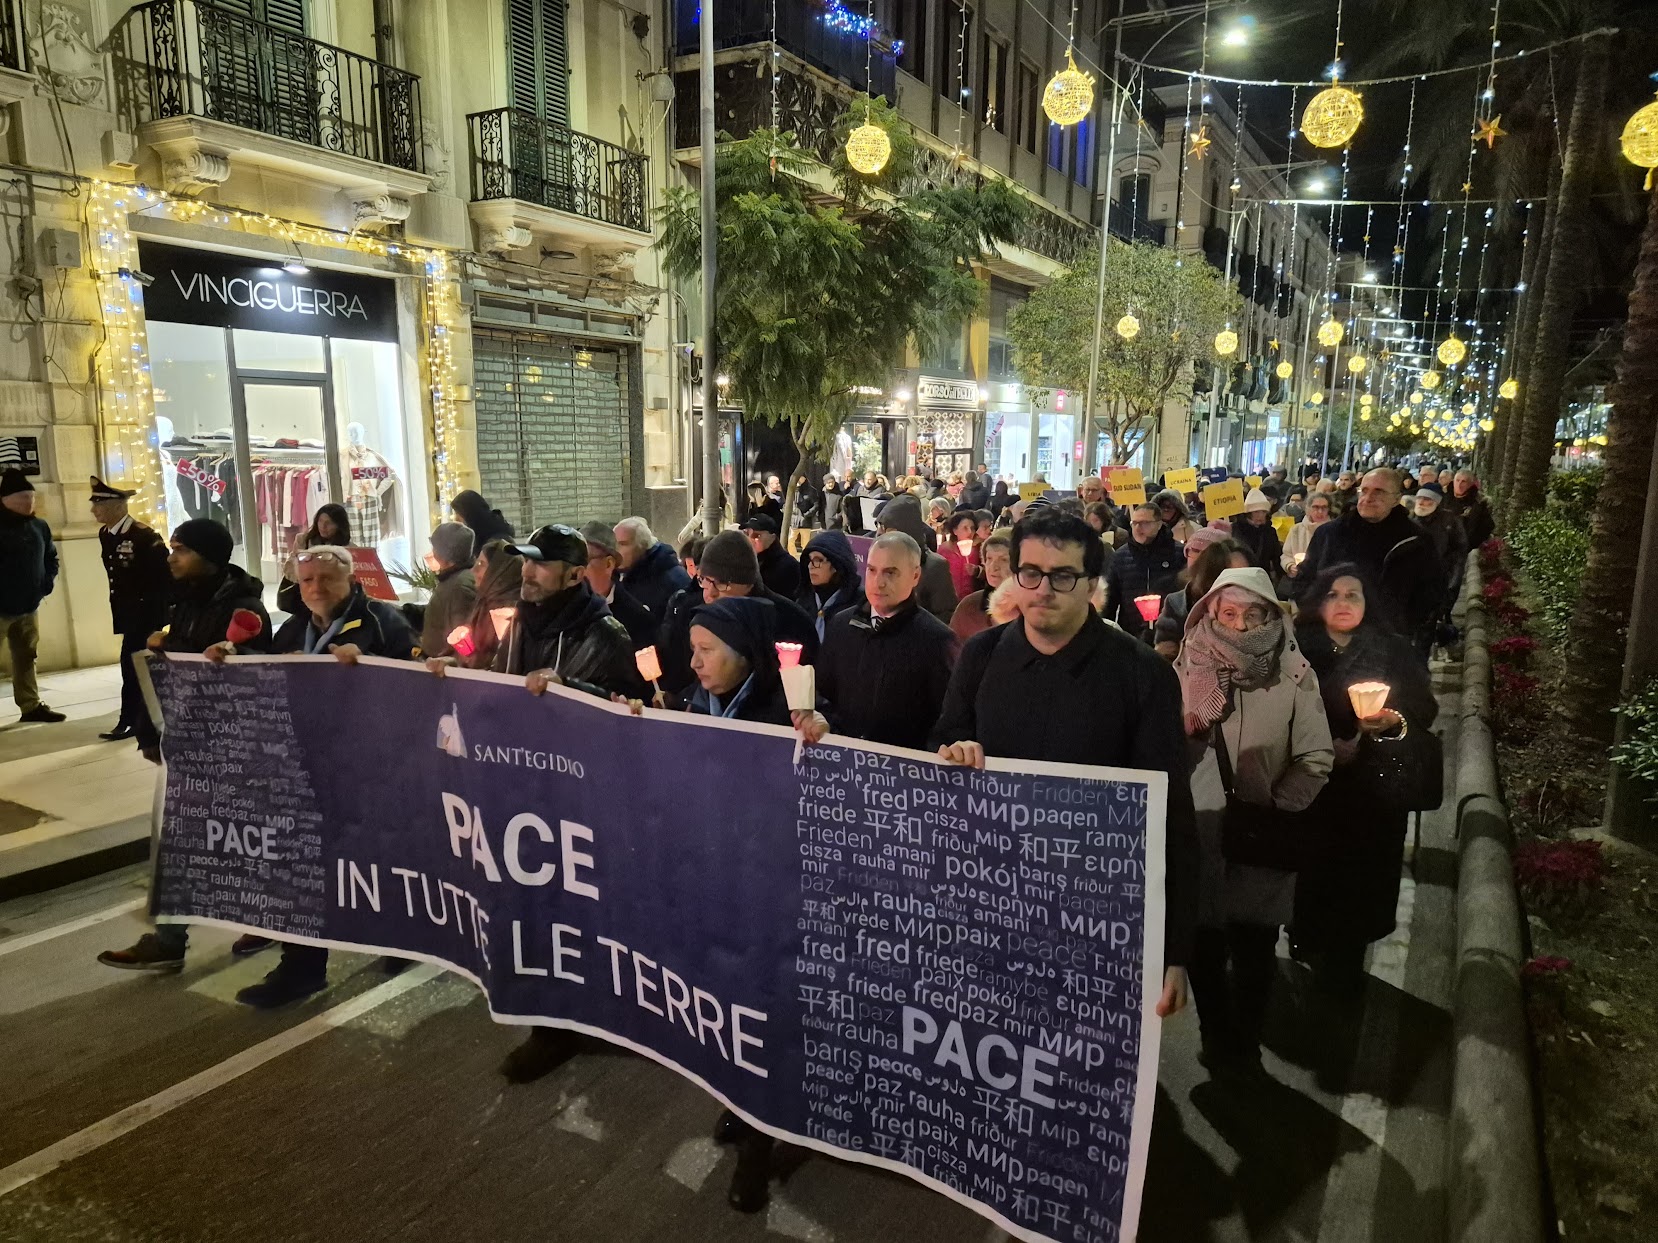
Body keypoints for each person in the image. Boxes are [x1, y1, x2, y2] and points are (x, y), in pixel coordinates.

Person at [929, 507, 1197, 1021]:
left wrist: (1173, 949)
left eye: (1063, 576)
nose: (1043, 589)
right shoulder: (981, 655)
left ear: (1092, 583)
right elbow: (946, 734)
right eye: (1030, 573)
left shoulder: (1141, 674)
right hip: (992, 900)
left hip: (1095, 919)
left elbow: (1172, 818)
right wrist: (954, 750)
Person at [220, 544, 416, 1007]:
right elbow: (268, 675)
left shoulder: (383, 622)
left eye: (326, 579)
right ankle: (301, 968)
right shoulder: (294, 628)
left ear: (350, 580)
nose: (315, 588)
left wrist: (374, 669)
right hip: (308, 765)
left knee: (378, 859)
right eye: (306, 581)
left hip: (372, 768)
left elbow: (417, 686)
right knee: (301, 866)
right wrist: (229, 657)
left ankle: (401, 935)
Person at [1175, 567, 1333, 1076]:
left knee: (1254, 951)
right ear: (1210, 614)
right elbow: (1158, 751)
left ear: (1270, 615)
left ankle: (1243, 1043)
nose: (1240, 626)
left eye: (1253, 614)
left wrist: (1275, 810)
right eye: (1228, 614)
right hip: (1200, 834)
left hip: (1263, 840)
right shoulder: (1184, 668)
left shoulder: (1294, 675)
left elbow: (1315, 758)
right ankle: (1214, 1033)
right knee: (1201, 946)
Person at [97, 518, 272, 972]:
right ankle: (170, 939)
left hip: (231, 746)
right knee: (182, 839)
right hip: (189, 740)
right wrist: (149, 729)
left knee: (241, 839)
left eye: (182, 549)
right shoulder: (186, 602)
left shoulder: (244, 608)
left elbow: (256, 672)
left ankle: (270, 919)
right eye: (172, 547)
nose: (172, 556)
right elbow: (168, 675)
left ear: (210, 556)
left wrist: (223, 654)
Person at [1293, 564, 1438, 993]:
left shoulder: (1392, 649)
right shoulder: (1295, 649)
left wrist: (1394, 719)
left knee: (1361, 879)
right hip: (1313, 786)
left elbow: (1423, 707)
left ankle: (1347, 962)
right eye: (1333, 594)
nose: (1342, 603)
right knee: (1312, 874)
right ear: (1318, 601)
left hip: (1372, 789)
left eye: (1352, 595)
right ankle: (1307, 941)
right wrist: (1321, 744)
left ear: (1367, 602)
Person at [808, 532, 958, 751]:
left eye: (890, 572)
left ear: (915, 576)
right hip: (843, 766)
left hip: (900, 775)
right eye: (872, 570)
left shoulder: (938, 640)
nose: (878, 582)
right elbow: (823, 692)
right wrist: (823, 720)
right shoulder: (841, 625)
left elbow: (948, 722)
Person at [1294, 467, 1444, 654]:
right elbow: (1305, 580)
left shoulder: (1416, 541)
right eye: (1364, 490)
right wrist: (1318, 619)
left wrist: (1401, 628)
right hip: (1330, 642)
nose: (1368, 497)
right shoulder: (1330, 534)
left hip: (1387, 646)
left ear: (1396, 499)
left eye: (1378, 492)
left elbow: (1430, 593)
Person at [490, 524, 642, 699]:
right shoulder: (519, 621)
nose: (526, 572)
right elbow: (498, 680)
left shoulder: (607, 636)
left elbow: (625, 707)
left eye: (540, 563)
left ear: (574, 575)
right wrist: (459, 676)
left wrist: (565, 687)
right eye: (526, 560)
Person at [90, 475, 170, 742]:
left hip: (146, 614)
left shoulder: (144, 536)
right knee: (138, 666)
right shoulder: (106, 534)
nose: (93, 510)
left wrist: (159, 616)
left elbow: (163, 577)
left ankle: (130, 720)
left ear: (117, 507)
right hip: (127, 613)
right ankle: (147, 717)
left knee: (132, 666)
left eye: (98, 505)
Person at [0, 469, 63, 723]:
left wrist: (45, 584)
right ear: (5, 500)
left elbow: (51, 557)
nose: (29, 503)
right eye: (23, 499)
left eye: (31, 498)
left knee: (26, 656)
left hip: (28, 606)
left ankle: (30, 705)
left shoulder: (39, 526)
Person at [1153, 532, 1249, 658]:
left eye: (1246, 574)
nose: (1239, 582)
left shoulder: (1262, 607)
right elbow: (1167, 652)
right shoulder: (1180, 604)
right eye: (1231, 575)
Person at [873, 493, 958, 622]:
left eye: (889, 529)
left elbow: (945, 614)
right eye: (880, 527)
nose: (883, 535)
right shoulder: (877, 563)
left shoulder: (934, 566)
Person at [1105, 503, 1183, 639]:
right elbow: (1110, 600)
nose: (1138, 528)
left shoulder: (1179, 553)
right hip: (1131, 634)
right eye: (1134, 523)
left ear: (1159, 524)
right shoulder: (1120, 556)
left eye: (1145, 523)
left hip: (1170, 634)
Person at [580, 520, 655, 649]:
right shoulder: (563, 608)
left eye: (584, 561)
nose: (577, 570)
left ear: (609, 564)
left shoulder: (637, 618)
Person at [456, 538, 523, 671]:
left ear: (499, 571)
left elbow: (507, 661)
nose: (473, 570)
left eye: (481, 564)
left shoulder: (512, 610)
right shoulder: (484, 602)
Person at [276, 502, 352, 615]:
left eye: (329, 523)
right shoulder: (304, 540)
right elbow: (289, 568)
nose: (323, 526)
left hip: (333, 599)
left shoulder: (349, 549)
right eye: (320, 521)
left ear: (339, 525)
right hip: (304, 598)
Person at [615, 516, 692, 619]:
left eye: (622, 544)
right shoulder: (620, 574)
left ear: (642, 545)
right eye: (613, 544)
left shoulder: (673, 578)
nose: (615, 550)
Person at [419, 522, 477, 659]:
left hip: (443, 669)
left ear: (443, 554)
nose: (432, 552)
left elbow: (462, 638)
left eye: (435, 548)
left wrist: (449, 662)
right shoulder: (453, 580)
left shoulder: (460, 586)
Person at [796, 529, 864, 641]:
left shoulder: (860, 604)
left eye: (817, 560)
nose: (810, 566)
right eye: (809, 560)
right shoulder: (803, 600)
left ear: (837, 564)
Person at [950, 528, 1012, 642]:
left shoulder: (1030, 608)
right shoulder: (970, 606)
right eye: (989, 558)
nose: (994, 566)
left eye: (1003, 560)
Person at [1412, 483, 1467, 610]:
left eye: (1427, 499)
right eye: (1419, 498)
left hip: (1440, 579)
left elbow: (1459, 551)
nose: (1421, 502)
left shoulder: (1450, 521)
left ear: (1436, 502)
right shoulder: (1410, 521)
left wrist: (1453, 581)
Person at [739, 513, 802, 599]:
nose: (750, 539)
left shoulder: (789, 566)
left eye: (756, 535)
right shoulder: (742, 561)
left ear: (772, 537)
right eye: (746, 534)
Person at [1230, 488, 1282, 577]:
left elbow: (1277, 557)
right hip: (1242, 576)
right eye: (1256, 512)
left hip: (1263, 576)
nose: (1261, 516)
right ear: (1248, 513)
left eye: (1264, 512)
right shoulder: (1237, 529)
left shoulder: (1270, 531)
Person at [1281, 491, 1332, 580]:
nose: (1320, 511)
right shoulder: (1296, 530)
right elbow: (1286, 555)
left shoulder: (1334, 530)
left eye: (1324, 508)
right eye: (1316, 507)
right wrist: (1290, 566)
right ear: (1308, 509)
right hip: (1301, 581)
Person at [1444, 469, 1495, 550]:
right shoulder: (1444, 498)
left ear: (1470, 484)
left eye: (1463, 482)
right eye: (1457, 480)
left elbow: (1487, 527)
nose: (1459, 484)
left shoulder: (1479, 503)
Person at [450, 489, 515, 548]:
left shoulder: (497, 541)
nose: (456, 519)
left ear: (471, 513)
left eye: (458, 513)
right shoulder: (476, 534)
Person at [939, 511, 981, 598]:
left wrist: (977, 570)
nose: (970, 532)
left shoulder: (979, 549)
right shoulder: (945, 550)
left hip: (971, 599)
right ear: (955, 530)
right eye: (965, 528)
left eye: (972, 528)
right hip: (950, 599)